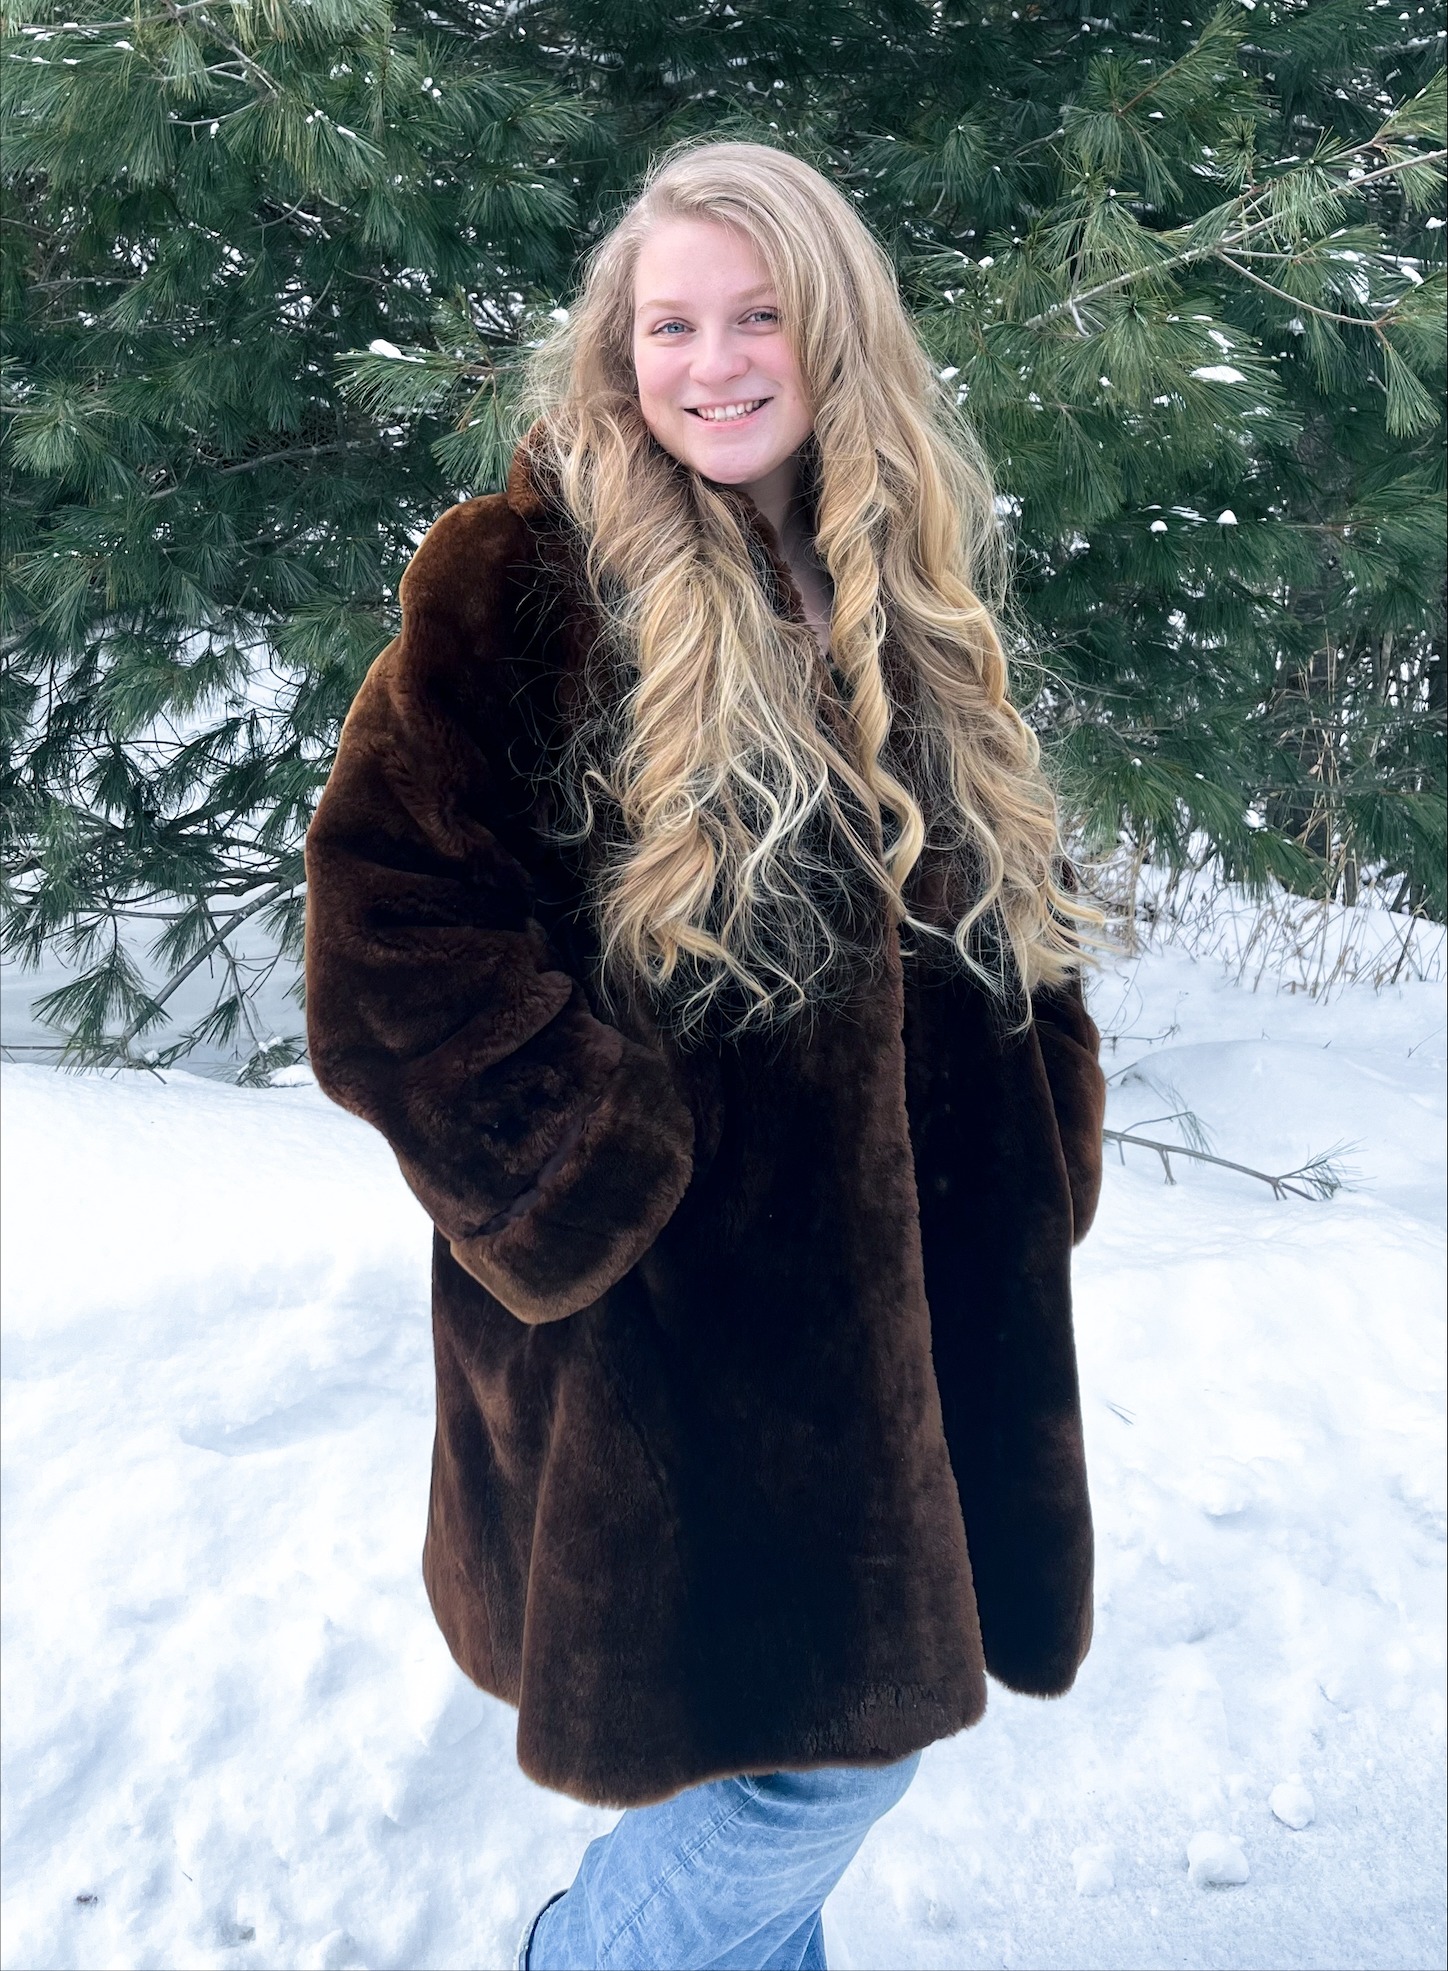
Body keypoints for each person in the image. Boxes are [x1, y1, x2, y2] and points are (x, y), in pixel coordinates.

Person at [304, 139, 1109, 1971]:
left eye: (758, 318)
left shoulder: (894, 573)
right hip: (666, 1358)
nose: (713, 362)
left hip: (909, 1333)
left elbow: (1005, 908)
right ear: (619, 349)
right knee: (802, 1781)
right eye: (670, 323)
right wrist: (596, 1172)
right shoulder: (521, 580)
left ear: (839, 341)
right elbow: (386, 929)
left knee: (785, 1766)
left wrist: (1042, 1130)